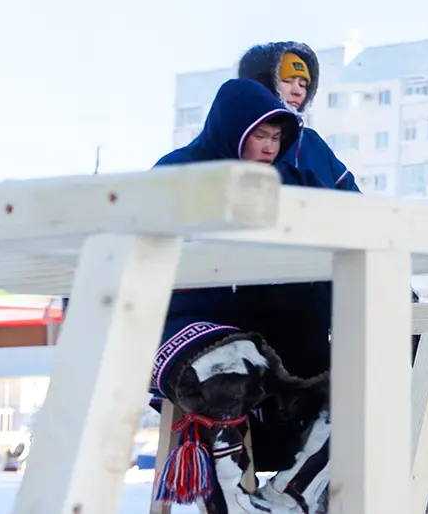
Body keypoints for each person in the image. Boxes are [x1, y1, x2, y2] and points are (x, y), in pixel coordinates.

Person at [150, 79, 332, 513]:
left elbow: (323, 244)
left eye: (277, 138)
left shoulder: (287, 184)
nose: (270, 148)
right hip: (186, 322)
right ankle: (233, 507)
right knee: (223, 370)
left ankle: (289, 499)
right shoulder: (177, 173)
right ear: (233, 131)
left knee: (364, 381)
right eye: (260, 136)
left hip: (267, 327)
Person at [236, 41, 357, 191]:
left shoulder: (312, 144)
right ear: (263, 82)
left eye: (303, 85)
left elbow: (353, 198)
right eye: (287, 81)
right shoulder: (235, 139)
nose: (297, 91)